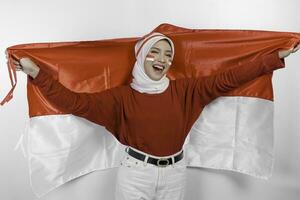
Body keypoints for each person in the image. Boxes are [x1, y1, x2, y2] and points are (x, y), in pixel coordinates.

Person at [12, 32, 300, 200]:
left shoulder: (188, 91)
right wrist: (37, 74)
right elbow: (73, 102)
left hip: (176, 175)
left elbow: (230, 78)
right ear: (142, 56)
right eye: (155, 52)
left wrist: (274, 58)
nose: (162, 59)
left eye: (167, 55)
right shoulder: (120, 99)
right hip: (135, 176)